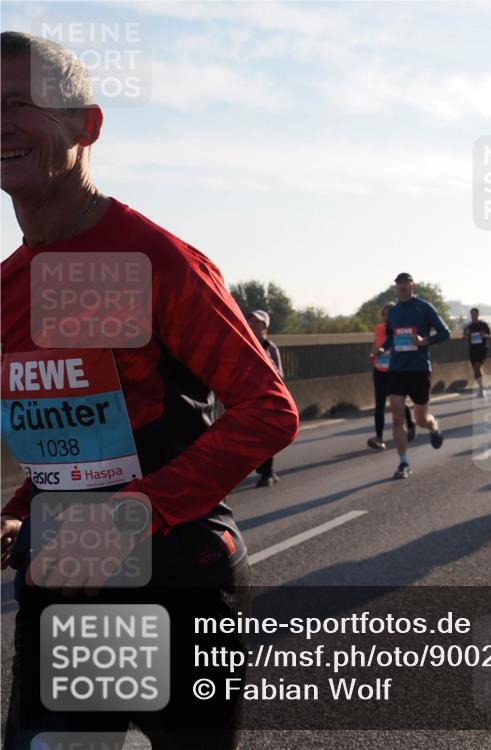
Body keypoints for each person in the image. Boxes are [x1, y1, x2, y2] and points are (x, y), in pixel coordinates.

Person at [0, 31, 298, 749]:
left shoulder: (158, 261)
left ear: (87, 126)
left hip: (181, 587)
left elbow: (268, 410)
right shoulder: (10, 284)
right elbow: (81, 440)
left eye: (20, 103)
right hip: (65, 591)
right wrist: (21, 509)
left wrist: (126, 520)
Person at [381, 273, 450, 478]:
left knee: (420, 420)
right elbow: (391, 337)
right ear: (395, 288)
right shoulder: (393, 312)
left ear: (413, 286)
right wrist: (381, 350)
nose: (402, 286)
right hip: (397, 369)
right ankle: (403, 463)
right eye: (398, 283)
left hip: (419, 369)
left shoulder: (424, 307)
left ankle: (433, 425)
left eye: (405, 283)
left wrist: (424, 341)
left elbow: (444, 333)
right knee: (396, 417)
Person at [368, 302, 415, 450]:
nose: (387, 317)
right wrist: (373, 354)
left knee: (398, 403)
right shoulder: (379, 328)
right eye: (385, 314)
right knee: (379, 405)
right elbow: (376, 344)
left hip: (395, 371)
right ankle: (379, 438)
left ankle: (410, 423)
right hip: (379, 370)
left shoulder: (399, 330)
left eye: (391, 314)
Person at [249, 309, 285, 485]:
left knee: (266, 434)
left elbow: (280, 375)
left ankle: (268, 472)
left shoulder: (270, 348)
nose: (253, 325)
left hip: (266, 395)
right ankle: (264, 469)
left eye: (258, 322)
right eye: (251, 321)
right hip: (248, 396)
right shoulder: (244, 344)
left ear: (265, 327)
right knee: (252, 435)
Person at [463, 307, 491, 398]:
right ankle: (481, 388)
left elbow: (490, 335)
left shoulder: (483, 324)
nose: (473, 316)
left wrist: (484, 335)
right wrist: (466, 334)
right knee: (475, 370)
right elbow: (464, 338)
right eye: (472, 314)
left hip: (482, 349)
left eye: (475, 314)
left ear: (478, 314)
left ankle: (482, 389)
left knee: (477, 367)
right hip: (473, 349)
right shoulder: (468, 326)